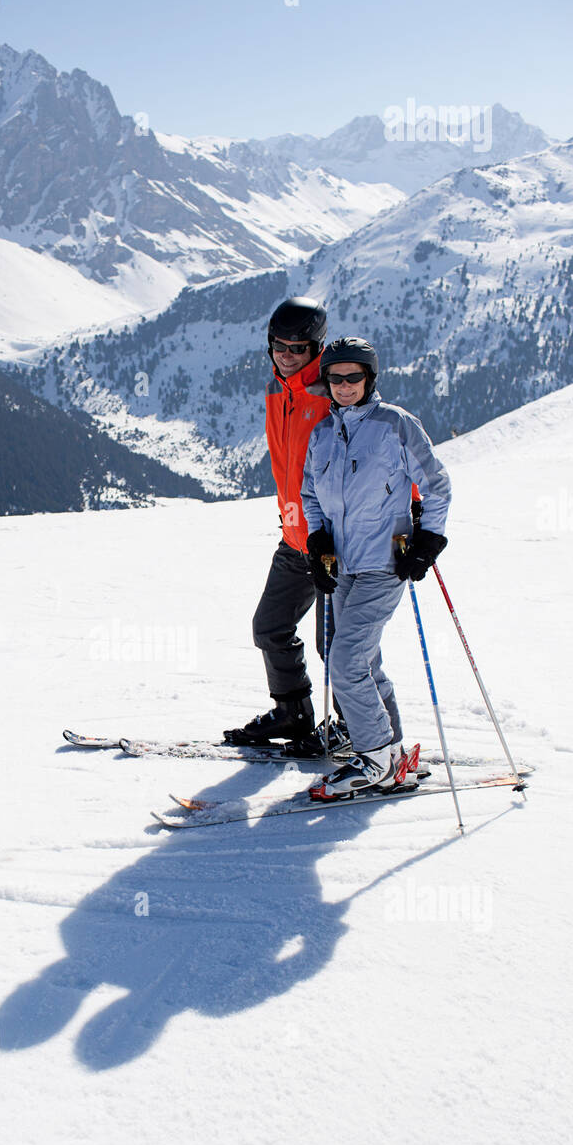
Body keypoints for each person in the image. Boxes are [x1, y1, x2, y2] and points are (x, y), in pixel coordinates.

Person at [300, 338, 451, 798]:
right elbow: (310, 494)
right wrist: (317, 538)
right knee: (356, 658)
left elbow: (437, 484)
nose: (344, 386)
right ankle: (395, 752)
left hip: (386, 564)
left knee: (346, 662)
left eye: (354, 377)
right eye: (336, 378)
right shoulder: (324, 433)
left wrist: (429, 540)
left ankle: (374, 760)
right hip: (343, 563)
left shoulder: (395, 425)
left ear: (370, 379)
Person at [224, 297, 347, 751]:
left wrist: (413, 511)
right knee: (270, 628)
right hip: (295, 540)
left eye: (299, 347)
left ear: (317, 348)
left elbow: (385, 449)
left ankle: (356, 729)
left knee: (335, 647)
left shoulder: (334, 392)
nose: (288, 354)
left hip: (336, 543)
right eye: (280, 345)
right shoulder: (279, 392)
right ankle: (292, 714)